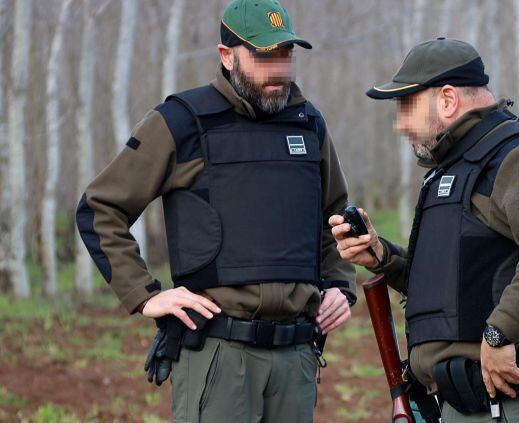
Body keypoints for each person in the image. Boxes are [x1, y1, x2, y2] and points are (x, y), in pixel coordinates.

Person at [75, 1, 355, 421]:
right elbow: (100, 208)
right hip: (219, 355)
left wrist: (339, 284)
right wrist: (144, 295)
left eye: (287, 54)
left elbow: (334, 218)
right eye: (265, 56)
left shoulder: (308, 123)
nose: (279, 70)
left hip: (296, 358)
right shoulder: (181, 122)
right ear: (227, 56)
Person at [331, 38, 519, 422]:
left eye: (406, 106)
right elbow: (456, 289)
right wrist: (382, 257)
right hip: (467, 405)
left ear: (447, 99)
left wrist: (499, 333)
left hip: (518, 406)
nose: (400, 123)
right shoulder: (451, 169)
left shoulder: (518, 156)